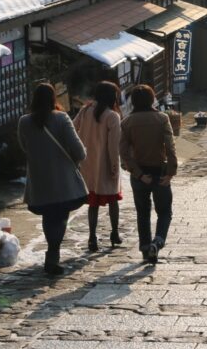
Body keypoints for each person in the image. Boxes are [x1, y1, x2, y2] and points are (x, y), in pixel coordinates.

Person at [17, 83, 87, 276]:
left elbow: (24, 146)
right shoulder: (61, 118)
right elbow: (79, 151)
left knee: (49, 216)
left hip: (40, 179)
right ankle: (52, 255)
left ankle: (52, 253)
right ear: (53, 99)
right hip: (63, 180)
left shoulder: (24, 121)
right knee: (60, 216)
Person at [119, 84, 177, 263]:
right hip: (159, 171)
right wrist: (170, 172)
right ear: (152, 99)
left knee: (143, 213)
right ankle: (158, 241)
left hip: (140, 174)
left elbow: (124, 152)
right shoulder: (162, 118)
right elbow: (170, 147)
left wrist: (137, 173)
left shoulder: (127, 122)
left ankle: (145, 248)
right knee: (165, 212)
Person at [73, 81, 123, 252]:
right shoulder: (112, 116)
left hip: (87, 164)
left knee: (92, 203)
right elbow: (113, 146)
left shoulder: (85, 110)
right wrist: (115, 166)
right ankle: (114, 233)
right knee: (113, 201)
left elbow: (72, 129)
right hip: (106, 164)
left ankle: (92, 237)